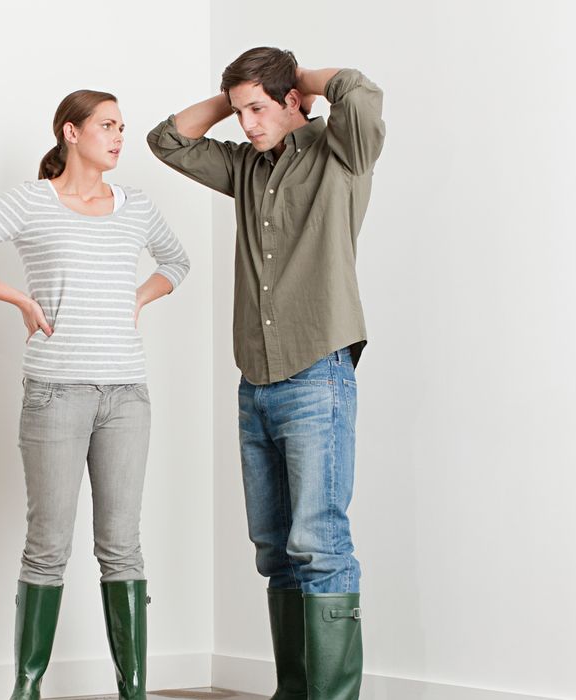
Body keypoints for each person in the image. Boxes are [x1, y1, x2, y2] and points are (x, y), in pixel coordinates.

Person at [0, 89, 190, 700]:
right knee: (47, 546)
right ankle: (27, 688)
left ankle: (133, 692)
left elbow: (176, 262)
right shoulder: (32, 202)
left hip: (127, 395)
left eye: (122, 126)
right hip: (55, 393)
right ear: (71, 132)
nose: (119, 136)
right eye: (107, 125)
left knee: (122, 547)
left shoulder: (136, 206)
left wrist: (137, 298)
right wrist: (20, 299)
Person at [147, 47, 385, 699]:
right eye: (239, 112)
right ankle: (293, 691)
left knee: (319, 542)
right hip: (255, 380)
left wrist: (293, 79)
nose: (247, 124)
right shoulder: (245, 167)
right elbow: (167, 141)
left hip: (317, 371)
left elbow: (360, 92)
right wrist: (239, 96)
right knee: (275, 548)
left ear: (292, 102)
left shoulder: (341, 152)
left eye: (259, 109)